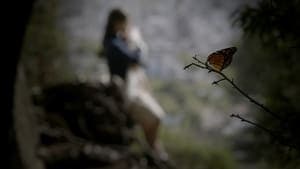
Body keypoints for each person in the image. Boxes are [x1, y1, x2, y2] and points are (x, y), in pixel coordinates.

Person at [102, 8, 167, 159]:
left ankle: (153, 149)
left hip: (128, 89)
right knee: (156, 117)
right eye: (125, 22)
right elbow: (135, 58)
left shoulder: (115, 41)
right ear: (118, 23)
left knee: (154, 118)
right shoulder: (113, 43)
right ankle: (152, 149)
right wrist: (136, 44)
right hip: (126, 92)